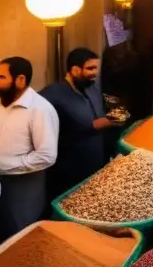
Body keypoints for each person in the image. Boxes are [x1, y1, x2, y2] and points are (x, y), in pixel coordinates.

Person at [0, 56, 58, 244]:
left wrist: (5, 166)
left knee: (21, 237)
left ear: (20, 80)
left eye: (1, 77)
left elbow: (46, 156)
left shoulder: (40, 109)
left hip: (24, 185)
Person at [41, 48, 121, 199]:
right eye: (90, 68)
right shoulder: (54, 93)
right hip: (70, 168)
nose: (94, 73)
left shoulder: (92, 88)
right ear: (75, 70)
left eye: (96, 68)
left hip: (96, 165)